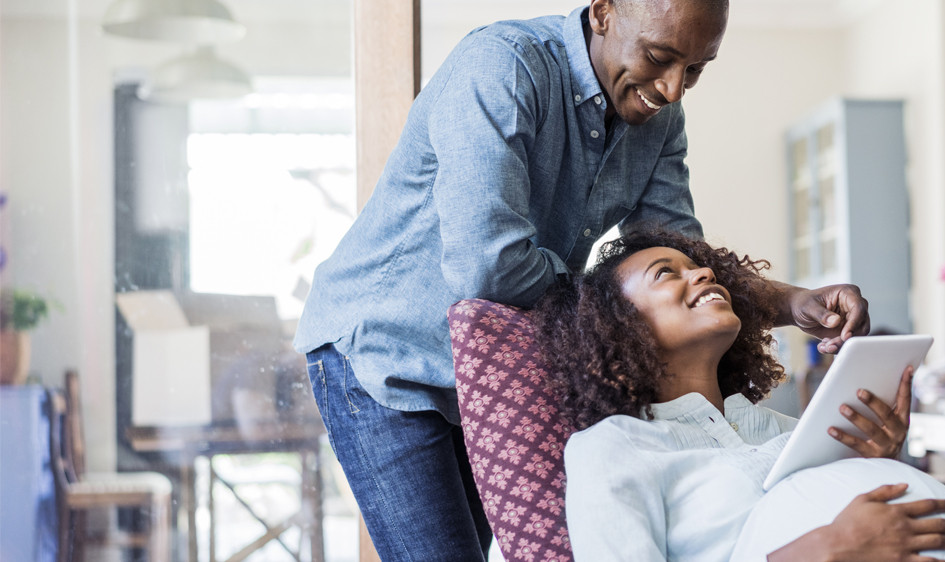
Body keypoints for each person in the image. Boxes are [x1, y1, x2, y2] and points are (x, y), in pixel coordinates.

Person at [294, 1, 872, 559]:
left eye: (694, 69)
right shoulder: (503, 68)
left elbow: (677, 253)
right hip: (382, 352)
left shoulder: (659, 116)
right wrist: (619, 301)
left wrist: (794, 301)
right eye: (659, 56)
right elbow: (488, 266)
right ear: (602, 12)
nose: (672, 89)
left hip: (480, 369)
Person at [536, 229, 945, 561]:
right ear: (618, 324)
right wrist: (816, 552)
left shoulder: (795, 431)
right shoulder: (613, 447)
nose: (702, 274)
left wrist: (876, 459)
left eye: (699, 267)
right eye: (666, 273)